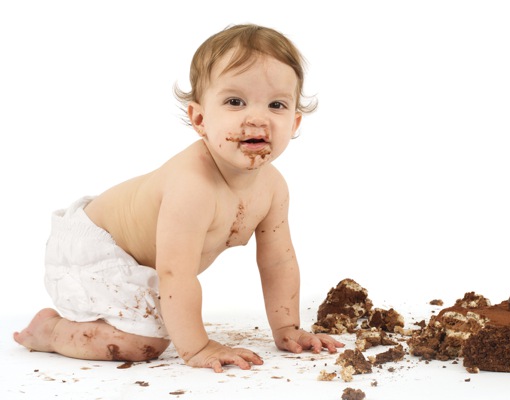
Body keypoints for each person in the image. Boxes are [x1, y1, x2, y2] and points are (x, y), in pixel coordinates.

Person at [13, 24, 344, 373]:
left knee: (158, 326)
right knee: (145, 345)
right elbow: (175, 273)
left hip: (144, 262)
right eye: (235, 101)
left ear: (294, 123)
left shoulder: (274, 187)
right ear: (199, 118)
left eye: (276, 104)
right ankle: (51, 331)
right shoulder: (193, 186)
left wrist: (287, 328)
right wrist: (198, 347)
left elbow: (278, 261)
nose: (257, 118)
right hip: (96, 249)